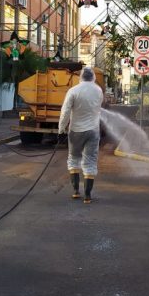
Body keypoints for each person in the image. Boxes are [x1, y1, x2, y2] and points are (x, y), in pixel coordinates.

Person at [58, 66, 103, 203]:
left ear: (81, 76)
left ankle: (76, 191)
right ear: (93, 77)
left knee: (74, 158)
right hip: (93, 131)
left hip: (76, 131)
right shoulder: (98, 90)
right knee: (90, 160)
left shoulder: (73, 91)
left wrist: (61, 129)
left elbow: (65, 111)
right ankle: (87, 195)